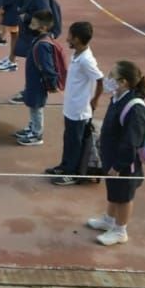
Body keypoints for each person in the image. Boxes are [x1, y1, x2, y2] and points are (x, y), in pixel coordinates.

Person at [89, 60, 145, 247]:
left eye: (112, 76)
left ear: (123, 81)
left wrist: (118, 166)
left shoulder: (135, 107)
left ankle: (120, 230)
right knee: (114, 190)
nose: (108, 79)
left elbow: (131, 142)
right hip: (111, 156)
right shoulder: (117, 97)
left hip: (124, 162)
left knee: (124, 196)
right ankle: (109, 220)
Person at [49, 21, 102, 186]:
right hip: (70, 107)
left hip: (79, 110)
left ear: (77, 39)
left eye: (70, 36)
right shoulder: (77, 55)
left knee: (75, 141)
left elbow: (100, 80)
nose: (67, 39)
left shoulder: (86, 60)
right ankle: (65, 165)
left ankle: (72, 172)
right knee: (68, 138)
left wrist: (95, 99)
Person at [15, 9, 61, 148]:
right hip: (33, 80)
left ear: (43, 28)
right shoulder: (39, 39)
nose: (30, 27)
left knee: (36, 107)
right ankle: (32, 127)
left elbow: (48, 67)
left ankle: (37, 134)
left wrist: (52, 84)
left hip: (38, 82)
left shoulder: (43, 45)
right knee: (32, 105)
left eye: (34, 25)